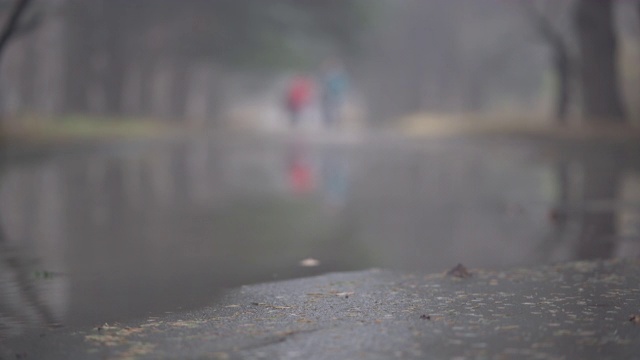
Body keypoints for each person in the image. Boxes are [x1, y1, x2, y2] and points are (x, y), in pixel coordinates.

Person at [319, 60, 348, 128]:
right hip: (334, 96)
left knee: (335, 110)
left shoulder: (333, 77)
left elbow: (344, 86)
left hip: (335, 96)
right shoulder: (334, 76)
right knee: (334, 110)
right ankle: (333, 123)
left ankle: (335, 123)